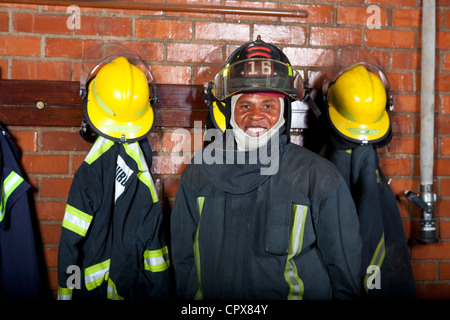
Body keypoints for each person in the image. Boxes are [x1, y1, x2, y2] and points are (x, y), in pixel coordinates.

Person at [170, 37, 362, 300]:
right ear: (229, 112)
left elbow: (345, 276)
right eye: (245, 105)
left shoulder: (318, 178)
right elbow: (183, 263)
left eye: (268, 106)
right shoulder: (198, 173)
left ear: (283, 112)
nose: (256, 116)